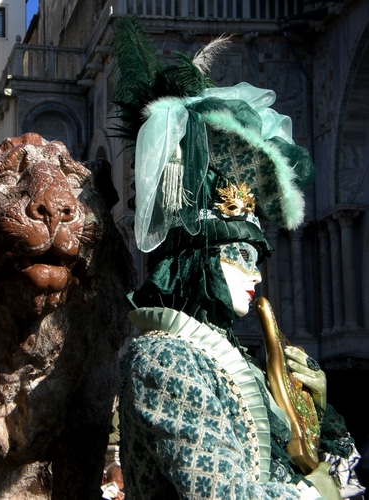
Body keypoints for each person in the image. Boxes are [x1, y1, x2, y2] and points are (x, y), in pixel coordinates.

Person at [112, 17, 365, 499]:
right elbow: (226, 493)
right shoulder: (163, 360)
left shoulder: (230, 358)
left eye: (256, 258)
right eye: (239, 256)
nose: (256, 276)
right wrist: (316, 494)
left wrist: (312, 410)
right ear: (198, 259)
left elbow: (307, 464)